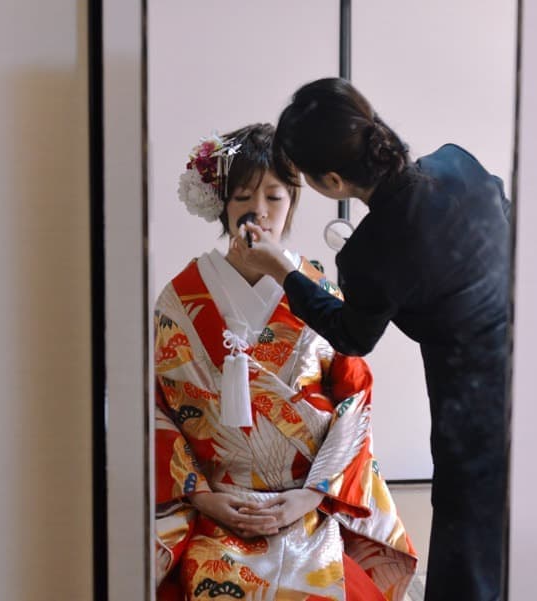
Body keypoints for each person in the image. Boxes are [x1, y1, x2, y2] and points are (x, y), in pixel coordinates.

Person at [230, 79, 511, 601]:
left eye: (282, 191)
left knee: (467, 526)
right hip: (531, 351)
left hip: (471, 391)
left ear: (332, 180)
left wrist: (282, 271)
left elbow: (351, 336)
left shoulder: (367, 254)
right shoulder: (458, 163)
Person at [154, 123, 417, 601]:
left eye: (274, 197)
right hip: (216, 507)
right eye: (243, 197)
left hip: (306, 507)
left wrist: (311, 494)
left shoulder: (320, 293)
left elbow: (354, 401)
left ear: (293, 200)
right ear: (222, 205)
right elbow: (156, 409)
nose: (258, 211)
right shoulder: (180, 299)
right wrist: (204, 496)